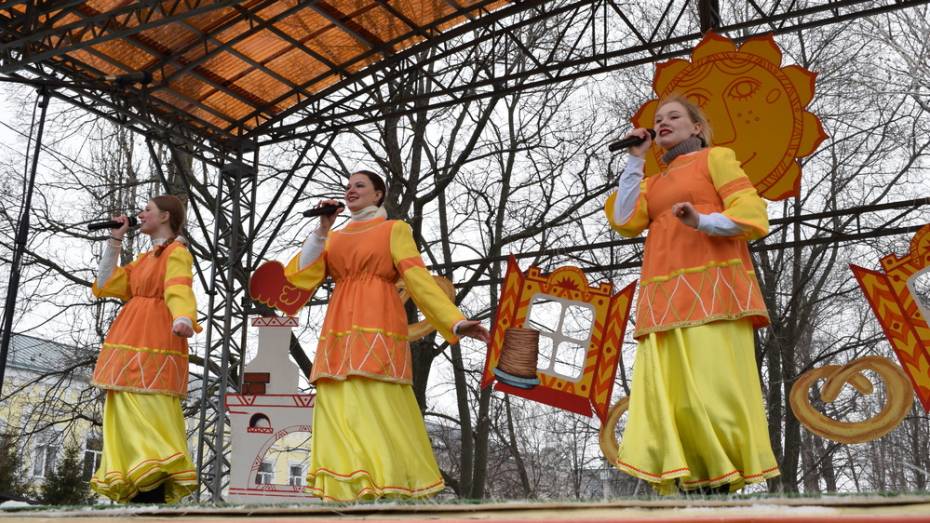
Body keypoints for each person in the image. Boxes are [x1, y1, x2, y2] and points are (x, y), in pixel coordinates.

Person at [605, 95, 779, 495]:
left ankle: (721, 484)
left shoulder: (716, 159)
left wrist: (701, 220)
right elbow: (623, 220)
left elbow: (752, 215)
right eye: (657, 119)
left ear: (697, 127)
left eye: (674, 116)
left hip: (714, 293)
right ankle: (692, 484)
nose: (662, 122)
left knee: (714, 394)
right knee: (678, 402)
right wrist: (635, 159)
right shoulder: (653, 182)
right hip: (663, 299)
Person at [285, 170, 490, 502]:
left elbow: (419, 281)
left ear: (378, 194)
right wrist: (322, 229)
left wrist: (454, 322)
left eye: (360, 186)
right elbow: (298, 279)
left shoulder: (394, 230)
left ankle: (386, 488)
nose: (351, 191)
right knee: (339, 409)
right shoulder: (334, 237)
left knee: (376, 409)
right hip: (338, 332)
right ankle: (349, 491)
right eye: (348, 186)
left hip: (379, 326)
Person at [89, 194, 201, 504]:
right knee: (125, 412)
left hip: (155, 340)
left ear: (165, 216)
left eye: (147, 209)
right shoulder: (143, 259)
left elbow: (179, 287)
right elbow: (106, 282)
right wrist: (115, 240)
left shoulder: (176, 252)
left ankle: (153, 480)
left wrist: (183, 317)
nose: (140, 214)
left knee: (151, 412)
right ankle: (135, 481)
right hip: (127, 340)